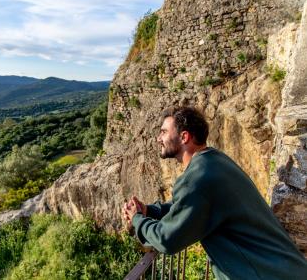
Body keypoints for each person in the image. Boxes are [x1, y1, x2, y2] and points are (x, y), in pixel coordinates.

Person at [123, 106, 307, 279]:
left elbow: (167, 240)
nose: (158, 138)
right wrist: (151, 211)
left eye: (163, 132)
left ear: (184, 137)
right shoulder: (215, 161)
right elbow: (190, 203)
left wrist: (137, 219)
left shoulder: (197, 178)